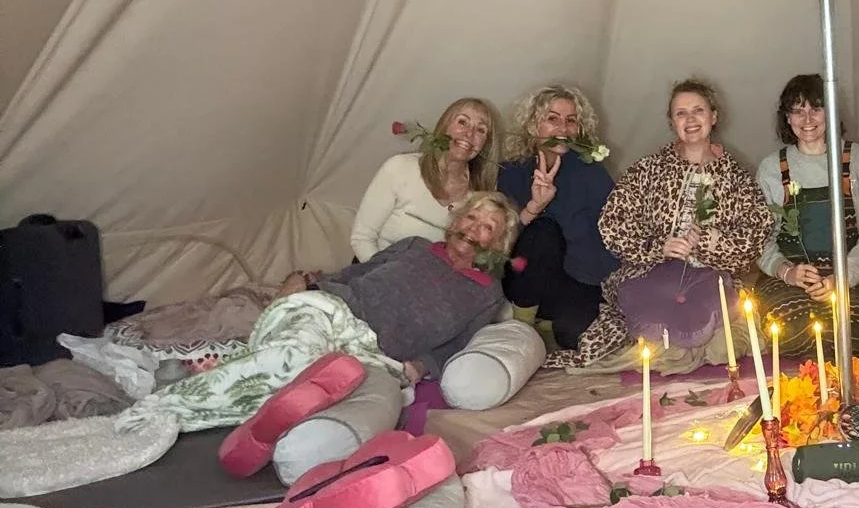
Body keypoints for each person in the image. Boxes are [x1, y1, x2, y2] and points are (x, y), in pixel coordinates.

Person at [121, 193, 518, 434]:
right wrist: (306, 282)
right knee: (289, 358)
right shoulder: (414, 246)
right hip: (332, 308)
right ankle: (165, 407)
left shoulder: (485, 294)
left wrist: (420, 365)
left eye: (488, 227)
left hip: (373, 350)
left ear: (497, 243)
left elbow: (458, 345)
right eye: (471, 217)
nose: (474, 229)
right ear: (455, 220)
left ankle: (198, 386)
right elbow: (353, 273)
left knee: (308, 383)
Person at [549, 79, 769, 369]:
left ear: (713, 117)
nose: (690, 120)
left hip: (712, 280)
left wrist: (708, 242)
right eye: (681, 113)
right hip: (649, 274)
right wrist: (657, 247)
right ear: (671, 121)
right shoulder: (649, 169)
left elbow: (755, 235)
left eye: (698, 111)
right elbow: (612, 222)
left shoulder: (736, 178)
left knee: (715, 341)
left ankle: (701, 342)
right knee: (654, 343)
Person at [752, 75, 859, 358]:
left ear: (832, 112)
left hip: (846, 274)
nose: (807, 118)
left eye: (816, 108)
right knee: (794, 332)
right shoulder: (772, 167)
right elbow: (760, 239)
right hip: (790, 277)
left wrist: (842, 279)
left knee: (855, 334)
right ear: (787, 118)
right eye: (798, 110)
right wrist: (787, 271)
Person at [497, 84, 618, 349]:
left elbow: (616, 224)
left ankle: (549, 326)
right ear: (533, 124)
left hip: (580, 277)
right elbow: (499, 241)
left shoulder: (591, 170)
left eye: (571, 120)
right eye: (552, 118)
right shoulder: (511, 171)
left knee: (573, 335)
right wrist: (535, 206)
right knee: (544, 232)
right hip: (526, 281)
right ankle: (523, 327)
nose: (563, 129)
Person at [351, 97, 502, 261]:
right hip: (372, 273)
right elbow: (361, 238)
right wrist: (386, 280)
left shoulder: (480, 197)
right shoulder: (400, 168)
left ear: (485, 145)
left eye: (481, 130)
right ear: (445, 126)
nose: (469, 134)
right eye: (462, 122)